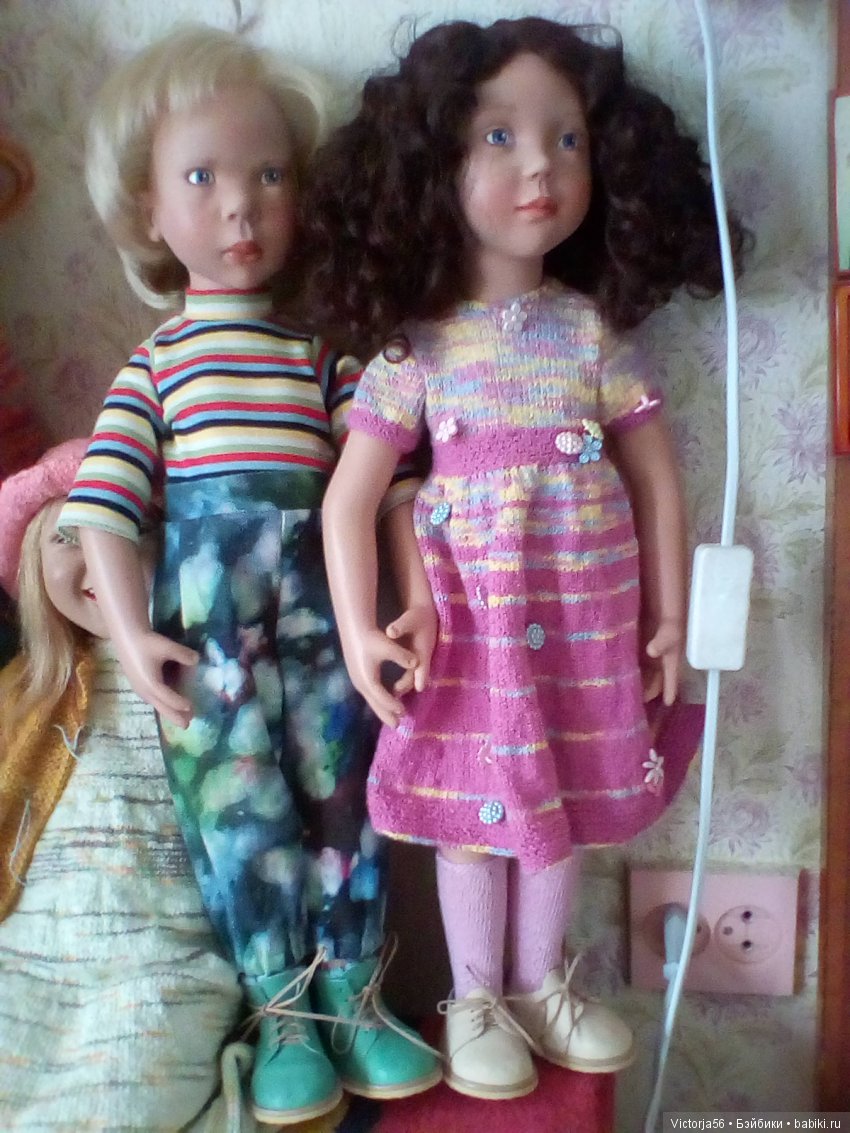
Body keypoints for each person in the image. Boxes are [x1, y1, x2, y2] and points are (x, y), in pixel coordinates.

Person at [304, 17, 746, 1101]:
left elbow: (659, 478)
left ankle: (542, 983)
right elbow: (349, 496)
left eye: (567, 139)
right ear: (433, 166)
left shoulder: (591, 335)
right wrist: (360, 630)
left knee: (565, 799)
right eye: (498, 137)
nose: (540, 166)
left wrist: (671, 618)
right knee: (472, 812)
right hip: (470, 630)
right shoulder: (417, 348)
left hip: (589, 621)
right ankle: (474, 998)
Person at [58, 25, 439, 1126]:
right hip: (206, 620)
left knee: (343, 785)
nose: (241, 207)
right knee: (236, 807)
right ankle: (281, 1009)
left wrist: (412, 594)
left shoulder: (324, 358)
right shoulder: (156, 366)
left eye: (270, 175)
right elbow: (105, 504)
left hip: (327, 605)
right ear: (147, 208)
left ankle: (355, 991)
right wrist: (134, 635)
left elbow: (388, 484)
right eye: (202, 177)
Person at [0, 440, 243, 1131]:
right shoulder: (21, 695)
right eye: (66, 535)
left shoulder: (222, 680)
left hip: (164, 962)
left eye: (130, 525)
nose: (98, 551)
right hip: (25, 953)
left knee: (121, 1098)